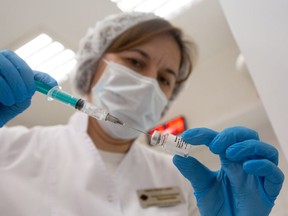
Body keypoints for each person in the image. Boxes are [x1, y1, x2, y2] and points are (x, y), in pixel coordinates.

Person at [0, 12, 284, 216]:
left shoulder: (182, 179)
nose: (148, 83)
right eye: (135, 61)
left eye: (164, 79)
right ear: (91, 68)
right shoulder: (8, 149)